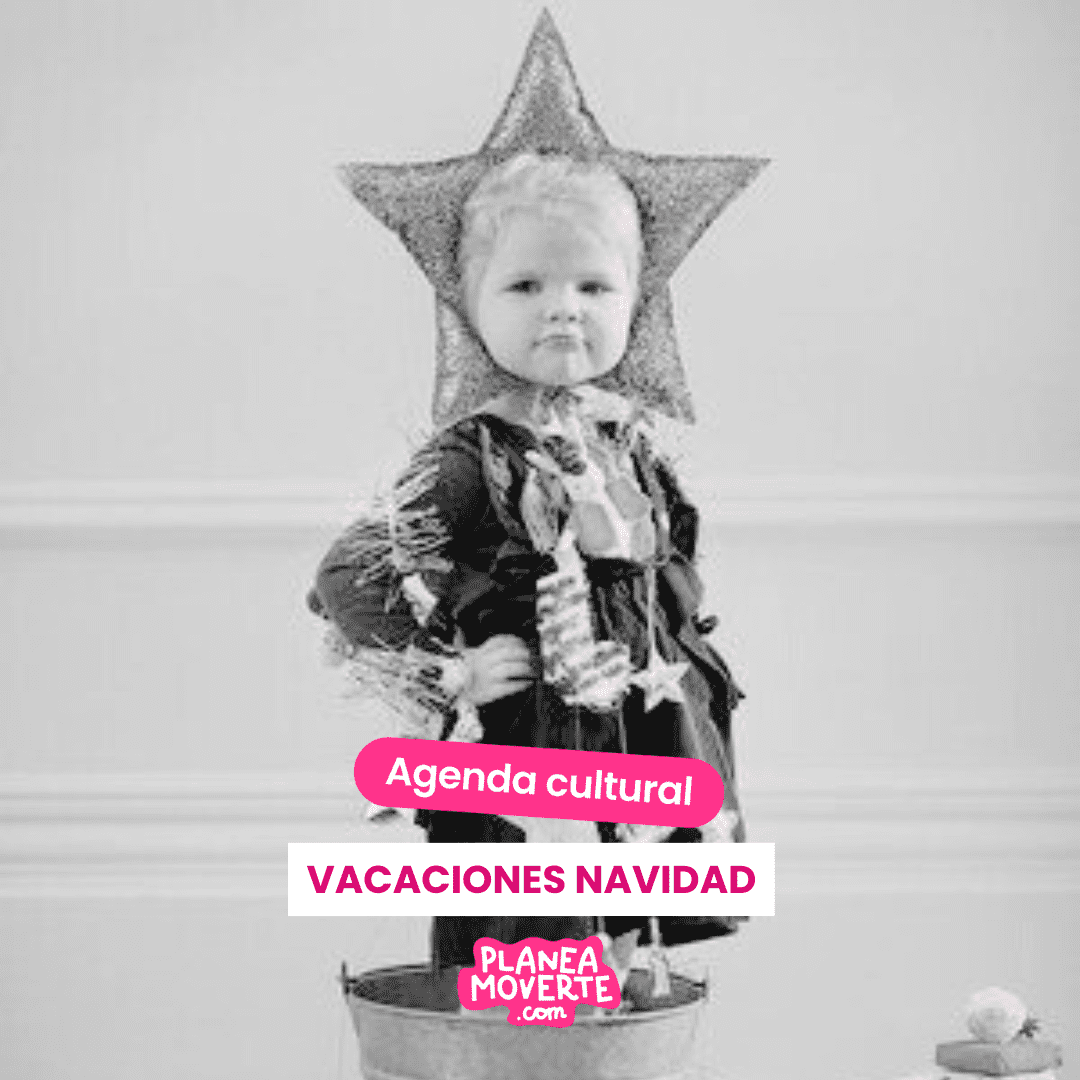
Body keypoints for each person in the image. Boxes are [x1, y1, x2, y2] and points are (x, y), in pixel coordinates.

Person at [309, 152, 747, 975]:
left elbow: (666, 569)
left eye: (594, 286)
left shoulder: (625, 443)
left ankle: (608, 1022)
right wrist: (451, 671)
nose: (563, 309)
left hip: (635, 735)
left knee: (615, 946)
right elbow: (348, 577)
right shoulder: (470, 456)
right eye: (525, 286)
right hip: (534, 751)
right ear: (468, 305)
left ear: (637, 302)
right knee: (528, 947)